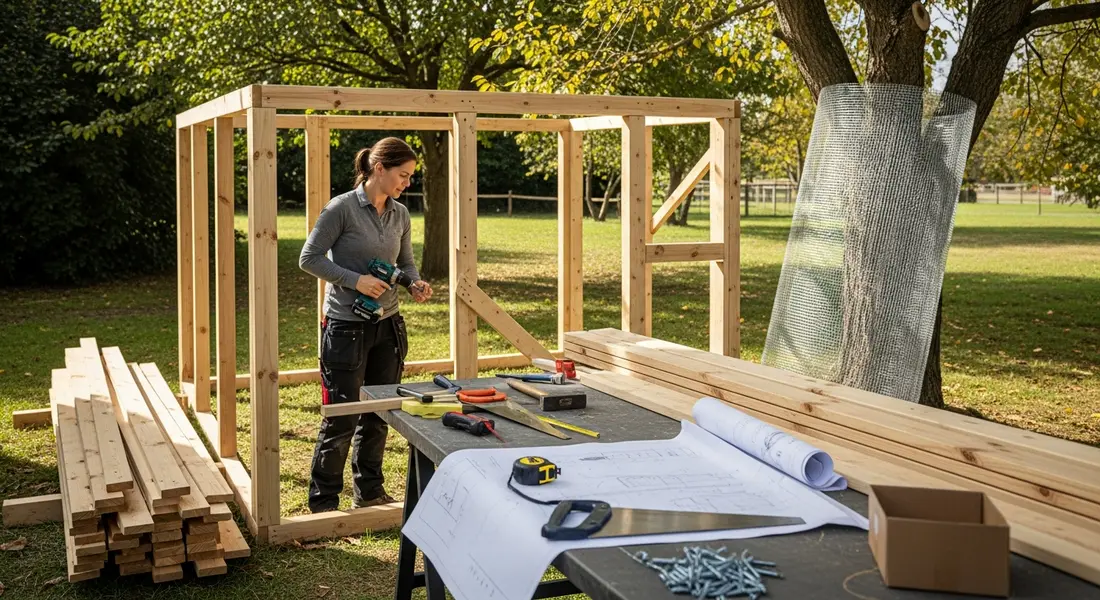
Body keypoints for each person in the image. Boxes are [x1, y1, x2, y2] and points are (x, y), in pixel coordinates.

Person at [298, 137, 433, 513]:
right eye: (403, 175)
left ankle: (369, 492)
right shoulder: (340, 209)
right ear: (379, 168)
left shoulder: (400, 214)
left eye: (410, 176)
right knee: (343, 417)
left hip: (387, 325)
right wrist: (355, 281)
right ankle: (324, 503)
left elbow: (405, 263)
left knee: (379, 413)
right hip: (345, 327)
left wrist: (414, 283)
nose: (407, 182)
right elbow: (309, 258)